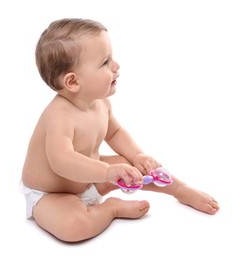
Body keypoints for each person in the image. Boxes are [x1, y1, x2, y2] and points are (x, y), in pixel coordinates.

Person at [20, 18, 219, 242]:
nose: (116, 66)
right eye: (105, 62)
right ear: (73, 82)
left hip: (91, 178)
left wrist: (137, 156)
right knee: (74, 227)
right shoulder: (58, 116)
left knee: (135, 166)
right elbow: (61, 161)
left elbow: (114, 133)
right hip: (52, 195)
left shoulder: (101, 103)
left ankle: (181, 190)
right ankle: (111, 209)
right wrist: (107, 173)